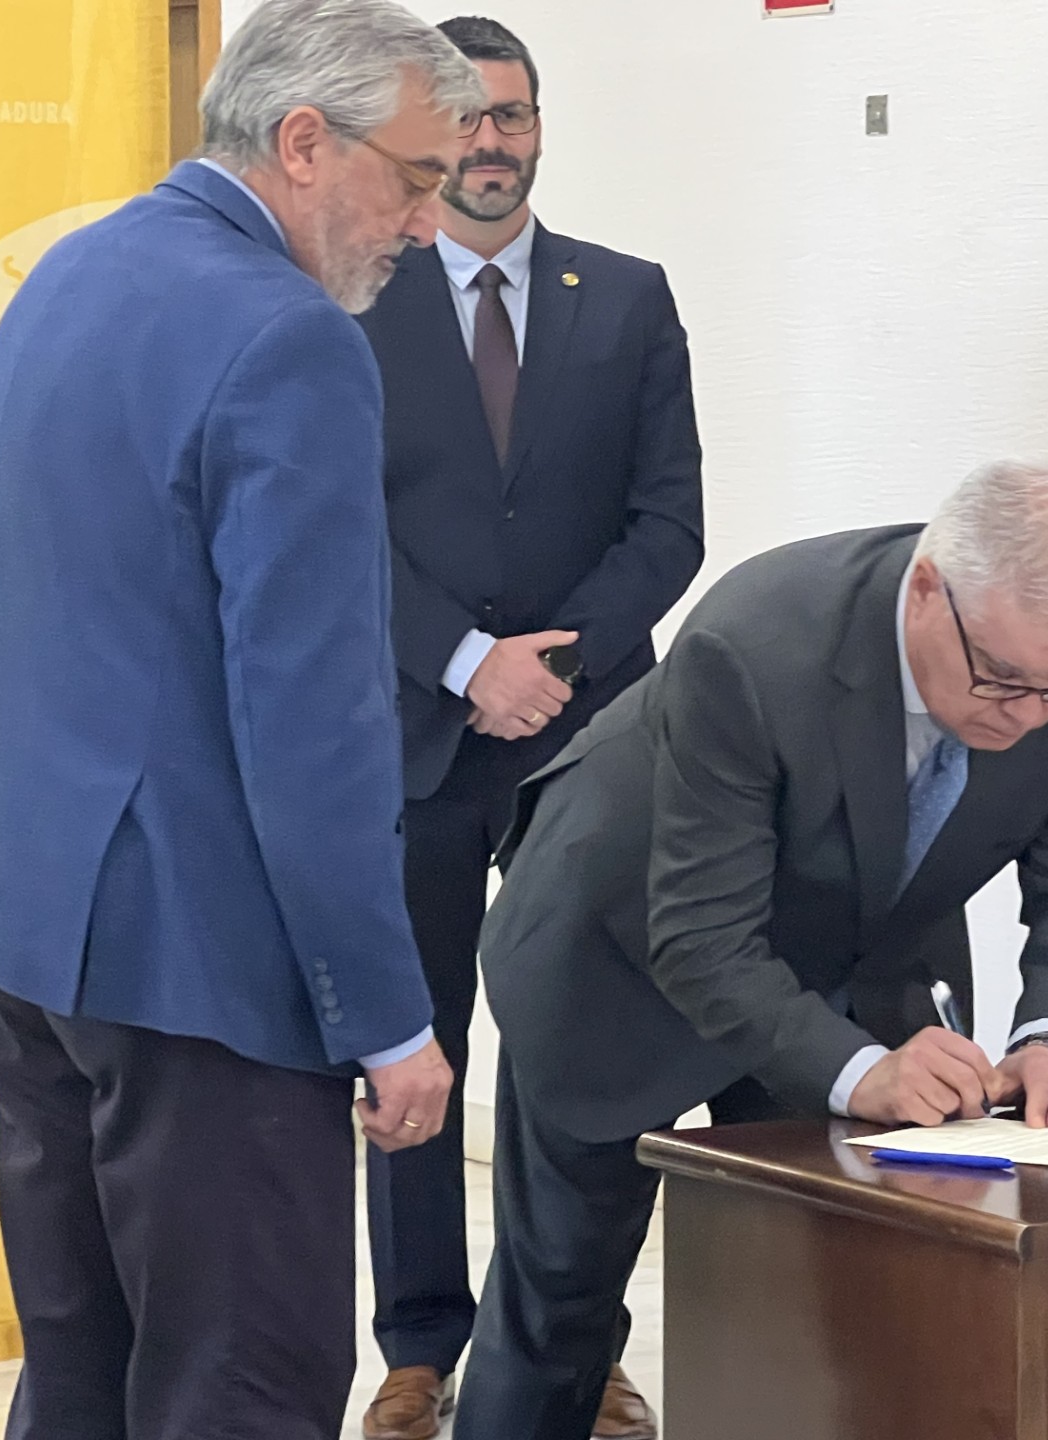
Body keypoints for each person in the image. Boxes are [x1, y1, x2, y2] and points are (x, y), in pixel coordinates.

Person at [0, 3, 482, 1436]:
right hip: (205, 976)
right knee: (240, 1391)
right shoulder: (288, 338)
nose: (425, 223)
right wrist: (388, 1016)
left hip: (31, 941)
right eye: (416, 177)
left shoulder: (67, 273)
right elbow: (312, 723)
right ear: (304, 142)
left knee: (81, 1378)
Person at [451, 460, 1048, 1439]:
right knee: (561, 1302)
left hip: (851, 954)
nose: (1029, 715)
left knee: (836, 1297)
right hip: (620, 947)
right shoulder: (757, 641)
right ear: (929, 590)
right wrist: (862, 1072)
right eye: (1002, 680)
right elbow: (701, 935)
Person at [354, 17, 703, 1440]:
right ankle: (419, 1347)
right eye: (469, 120)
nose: (492, 143)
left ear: (541, 126)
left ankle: (575, 1347)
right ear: (431, 138)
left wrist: (548, 666)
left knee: (585, 1051)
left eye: (515, 115)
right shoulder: (353, 302)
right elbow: (335, 527)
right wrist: (463, 663)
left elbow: (670, 522)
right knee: (414, 1047)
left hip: (591, 741)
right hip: (415, 735)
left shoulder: (625, 296)